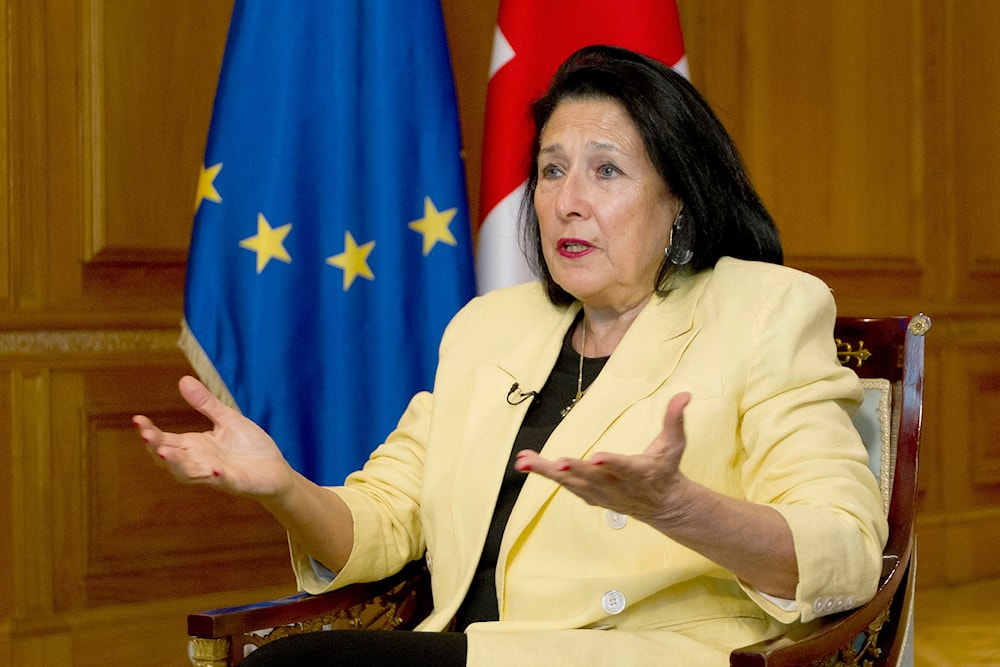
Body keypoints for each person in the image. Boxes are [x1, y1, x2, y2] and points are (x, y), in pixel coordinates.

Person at [134, 45, 887, 666]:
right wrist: (284, 487)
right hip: (472, 650)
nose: (567, 200)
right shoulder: (488, 328)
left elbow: (846, 550)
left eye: (607, 170)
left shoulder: (764, 310)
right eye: (552, 169)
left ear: (680, 200)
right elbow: (387, 520)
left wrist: (678, 506)